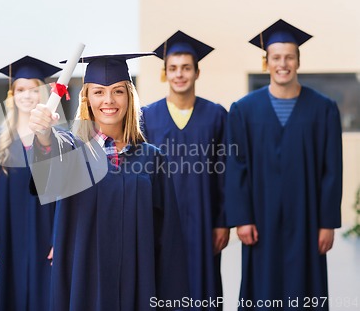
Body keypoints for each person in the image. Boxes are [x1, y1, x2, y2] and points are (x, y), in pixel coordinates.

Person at [29, 53, 189, 311]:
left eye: (117, 91)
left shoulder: (152, 158)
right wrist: (44, 135)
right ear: (87, 99)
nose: (109, 100)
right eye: (99, 92)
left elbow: (168, 238)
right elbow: (49, 160)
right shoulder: (72, 150)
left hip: (139, 287)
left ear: (129, 97)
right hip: (85, 285)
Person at [225, 19, 343, 311]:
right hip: (260, 219)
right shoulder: (243, 110)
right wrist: (242, 218)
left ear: (298, 61)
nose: (283, 64)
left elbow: (332, 169)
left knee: (305, 290)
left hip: (308, 217)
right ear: (266, 63)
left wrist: (327, 222)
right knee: (262, 291)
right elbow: (235, 166)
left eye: (289, 57)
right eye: (276, 57)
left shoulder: (323, 109)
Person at [142, 31, 229, 310]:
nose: (180, 74)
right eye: (173, 68)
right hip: (161, 224)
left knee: (204, 291)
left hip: (205, 223)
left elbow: (226, 173)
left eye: (186, 68)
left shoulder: (216, 115)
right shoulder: (147, 117)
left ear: (197, 72)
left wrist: (223, 222)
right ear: (165, 73)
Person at [0, 55, 60, 311]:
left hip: (46, 230)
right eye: (21, 90)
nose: (27, 95)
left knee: (48, 294)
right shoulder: (0, 140)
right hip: (12, 232)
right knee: (15, 293)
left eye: (33, 89)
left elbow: (66, 193)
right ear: (12, 95)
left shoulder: (57, 138)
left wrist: (59, 235)